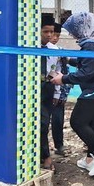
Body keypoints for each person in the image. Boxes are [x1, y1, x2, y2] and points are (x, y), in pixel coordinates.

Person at [51, 12, 94, 177]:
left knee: (77, 121)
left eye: (73, 29)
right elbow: (88, 62)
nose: (72, 34)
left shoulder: (90, 44)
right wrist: (69, 59)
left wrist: (62, 79)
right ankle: (90, 160)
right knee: (93, 124)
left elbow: (87, 72)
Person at [49, 22, 70, 157]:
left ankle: (59, 145)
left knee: (58, 120)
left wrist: (62, 94)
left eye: (57, 35)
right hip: (46, 90)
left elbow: (64, 73)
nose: (54, 37)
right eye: (52, 34)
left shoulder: (60, 52)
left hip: (58, 92)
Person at [40, 14, 56, 171]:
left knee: (44, 123)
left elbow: (55, 70)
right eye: (45, 32)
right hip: (30, 87)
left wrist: (57, 93)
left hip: (47, 88)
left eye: (51, 32)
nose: (49, 35)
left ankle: (46, 156)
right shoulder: (28, 47)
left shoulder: (54, 50)